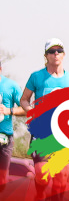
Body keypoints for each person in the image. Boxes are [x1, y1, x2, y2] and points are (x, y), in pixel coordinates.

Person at [20, 38, 69, 201]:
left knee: (61, 177)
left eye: (59, 51)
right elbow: (24, 99)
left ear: (64, 54)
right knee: (41, 173)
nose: (55, 54)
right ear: (46, 56)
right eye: (51, 51)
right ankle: (40, 194)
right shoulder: (37, 76)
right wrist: (30, 111)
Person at [0, 59, 27, 194]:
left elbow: (26, 109)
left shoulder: (10, 86)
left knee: (2, 180)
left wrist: (9, 111)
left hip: (5, 138)